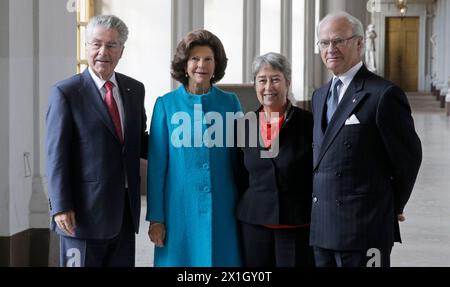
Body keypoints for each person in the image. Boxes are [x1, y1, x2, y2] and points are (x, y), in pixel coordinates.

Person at [310, 11, 422, 267]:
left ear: (360, 43)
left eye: (339, 40)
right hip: (323, 225)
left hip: (366, 225)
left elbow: (408, 159)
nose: (331, 48)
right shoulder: (319, 95)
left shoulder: (383, 94)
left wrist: (392, 205)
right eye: (324, 43)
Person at [46, 15, 147, 267]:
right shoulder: (66, 93)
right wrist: (60, 206)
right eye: (96, 44)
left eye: (112, 45)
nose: (103, 51)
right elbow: (56, 156)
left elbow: (139, 142)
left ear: (121, 51)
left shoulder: (135, 90)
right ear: (86, 47)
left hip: (125, 212)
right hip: (81, 215)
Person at [146, 29, 242, 267]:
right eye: (195, 59)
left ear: (216, 64)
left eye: (208, 59)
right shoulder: (165, 105)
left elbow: (240, 158)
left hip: (224, 205)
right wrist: (156, 217)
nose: (202, 65)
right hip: (179, 209)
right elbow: (157, 167)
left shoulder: (230, 102)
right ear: (184, 64)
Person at [236, 52, 314, 267]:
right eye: (262, 80)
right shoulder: (243, 125)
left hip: (298, 222)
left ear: (287, 83)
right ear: (255, 85)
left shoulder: (310, 123)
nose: (268, 87)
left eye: (275, 79)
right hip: (254, 223)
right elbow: (239, 176)